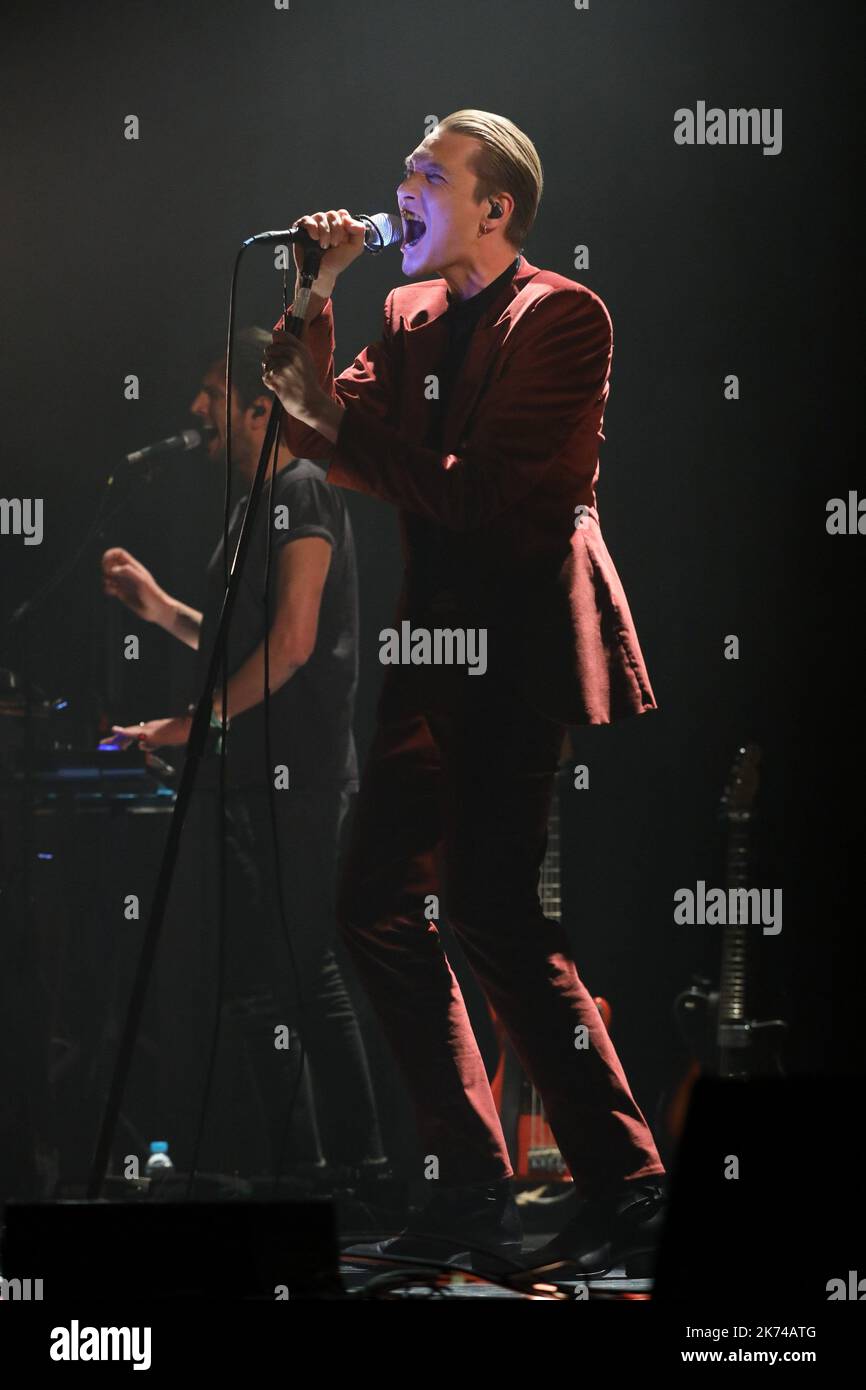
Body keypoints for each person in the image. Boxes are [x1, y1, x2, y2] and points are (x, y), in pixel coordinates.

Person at [263, 109, 667, 1276]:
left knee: (493, 914)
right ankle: (467, 1187)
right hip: (432, 652)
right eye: (402, 169)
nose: (399, 186)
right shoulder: (402, 310)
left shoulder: (563, 317)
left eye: (427, 174)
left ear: (494, 209)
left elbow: (478, 494)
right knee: (374, 905)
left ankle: (631, 1190)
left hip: (520, 644)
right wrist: (315, 286)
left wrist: (339, 424)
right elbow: (300, 422)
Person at [102, 328, 387, 1182]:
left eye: (212, 395)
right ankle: (311, 1173)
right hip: (257, 781)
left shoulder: (303, 490)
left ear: (261, 406)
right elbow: (243, 646)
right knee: (268, 984)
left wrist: (193, 726)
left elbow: (295, 644)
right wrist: (159, 609)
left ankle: (360, 1170)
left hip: (297, 786)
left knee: (302, 977)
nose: (197, 412)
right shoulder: (253, 507)